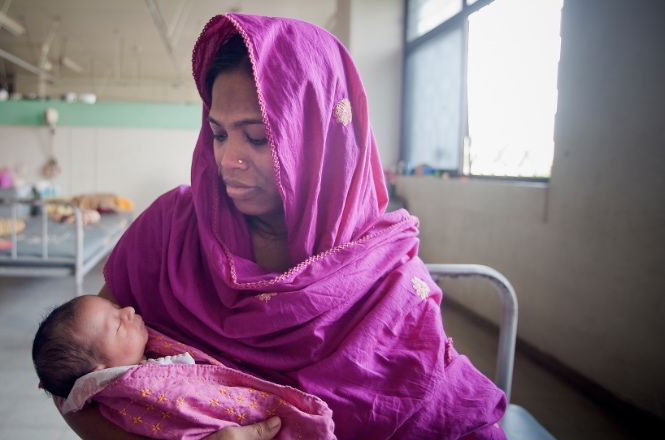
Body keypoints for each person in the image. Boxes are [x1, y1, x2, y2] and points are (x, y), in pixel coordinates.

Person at [61, 12, 507, 440]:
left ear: (319, 140)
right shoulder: (169, 232)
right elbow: (71, 380)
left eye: (257, 138)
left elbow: (436, 415)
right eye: (218, 134)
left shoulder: (388, 279)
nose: (228, 160)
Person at [33, 294, 336, 439]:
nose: (127, 310)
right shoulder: (134, 390)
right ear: (99, 372)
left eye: (116, 308)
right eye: (116, 325)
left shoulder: (132, 360)